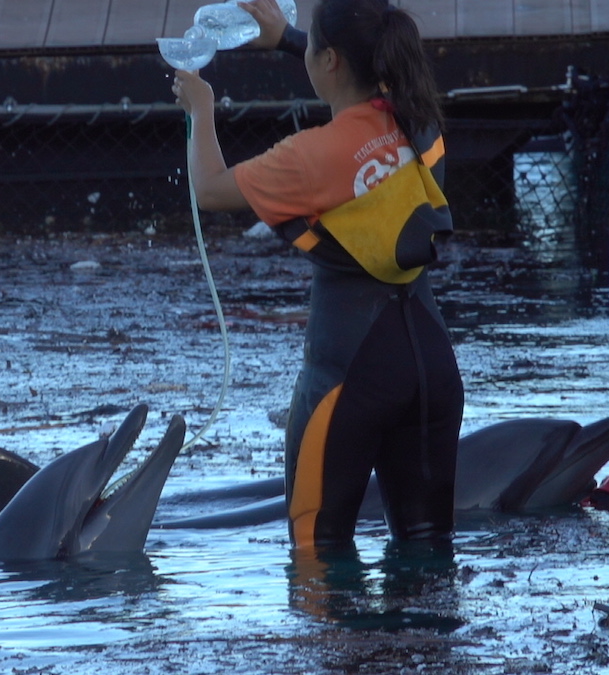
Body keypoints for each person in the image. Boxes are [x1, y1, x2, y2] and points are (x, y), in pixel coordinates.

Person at [171, 0, 464, 550]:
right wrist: (287, 37)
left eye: (310, 47)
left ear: (329, 61)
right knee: (427, 550)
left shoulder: (306, 158)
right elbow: (360, 85)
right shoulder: (419, 118)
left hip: (346, 378)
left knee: (317, 556)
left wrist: (200, 108)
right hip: (431, 368)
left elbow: (209, 189)